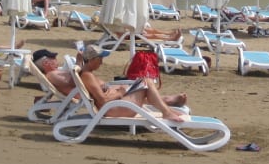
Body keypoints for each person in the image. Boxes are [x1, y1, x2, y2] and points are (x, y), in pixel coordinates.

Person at [34, 45, 187, 122]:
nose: (102, 62)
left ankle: (166, 108)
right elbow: (102, 100)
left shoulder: (87, 73)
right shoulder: (86, 76)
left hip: (116, 105)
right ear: (92, 60)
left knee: (143, 83)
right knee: (146, 82)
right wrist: (119, 93)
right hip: (115, 109)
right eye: (100, 59)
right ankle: (166, 110)